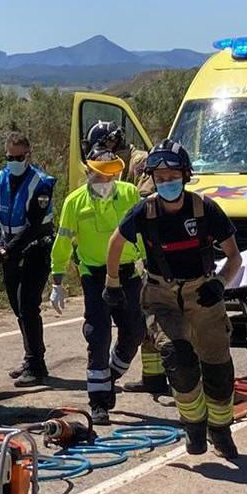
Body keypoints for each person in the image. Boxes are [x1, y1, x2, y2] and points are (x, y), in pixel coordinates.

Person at [106, 139, 244, 457]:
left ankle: (221, 432)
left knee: (218, 371)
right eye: (160, 177)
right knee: (179, 362)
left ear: (185, 174)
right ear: (152, 179)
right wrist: (111, 284)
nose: (167, 183)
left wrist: (220, 283)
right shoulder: (145, 210)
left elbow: (234, 257)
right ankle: (194, 426)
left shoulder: (205, 209)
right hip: (161, 296)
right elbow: (115, 244)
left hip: (203, 294)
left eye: (173, 176)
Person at [49, 147, 145, 424]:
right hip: (93, 274)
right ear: (89, 173)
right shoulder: (74, 202)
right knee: (98, 334)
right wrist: (57, 280)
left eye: (111, 176)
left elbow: (143, 234)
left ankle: (111, 375)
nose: (106, 182)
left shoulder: (129, 194)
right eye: (101, 176)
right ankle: (99, 402)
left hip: (127, 273)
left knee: (135, 331)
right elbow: (63, 242)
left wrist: (150, 265)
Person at [84, 122, 167, 394]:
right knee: (140, 318)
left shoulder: (140, 162)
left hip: (145, 246)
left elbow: (144, 202)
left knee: (150, 316)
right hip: (123, 247)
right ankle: (152, 377)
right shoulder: (115, 168)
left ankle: (163, 375)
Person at [0, 132, 56, 388]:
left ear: (28, 156)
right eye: (9, 157)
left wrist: (7, 251)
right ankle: (31, 358)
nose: (13, 161)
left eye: (18, 157)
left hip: (36, 248)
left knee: (28, 305)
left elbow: (35, 225)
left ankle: (36, 364)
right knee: (17, 306)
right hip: (10, 249)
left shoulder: (42, 183)